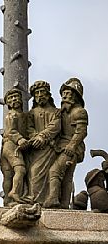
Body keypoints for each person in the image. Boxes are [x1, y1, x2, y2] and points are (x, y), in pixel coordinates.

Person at [45, 78, 88, 209]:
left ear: (75, 96)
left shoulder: (79, 112)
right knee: (67, 177)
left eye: (68, 93)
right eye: (64, 93)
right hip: (61, 146)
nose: (64, 96)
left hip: (71, 148)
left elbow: (81, 132)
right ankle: (64, 203)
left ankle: (53, 199)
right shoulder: (62, 112)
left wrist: (71, 146)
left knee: (55, 171)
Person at [27, 81, 61, 206]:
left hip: (50, 148)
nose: (40, 95)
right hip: (36, 149)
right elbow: (28, 128)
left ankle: (48, 200)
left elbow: (55, 127)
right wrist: (35, 137)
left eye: (43, 92)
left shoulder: (56, 112)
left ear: (48, 95)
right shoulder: (32, 113)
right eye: (37, 93)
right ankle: (35, 200)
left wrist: (42, 137)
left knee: (49, 174)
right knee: (34, 172)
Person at [0, 89, 30, 206]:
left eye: (16, 97)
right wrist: (20, 139)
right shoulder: (12, 115)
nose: (14, 100)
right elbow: (11, 131)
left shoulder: (23, 115)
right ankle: (14, 192)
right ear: (7, 103)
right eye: (11, 98)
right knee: (20, 169)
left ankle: (8, 200)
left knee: (8, 174)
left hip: (10, 146)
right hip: (11, 145)